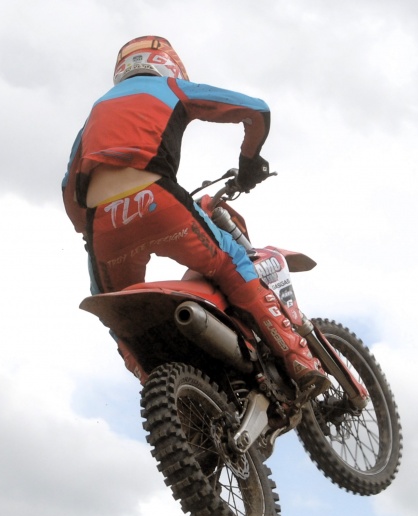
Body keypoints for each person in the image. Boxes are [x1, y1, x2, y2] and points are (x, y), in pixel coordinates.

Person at [62, 35, 328, 402]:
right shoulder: (171, 88)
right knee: (234, 263)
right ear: (168, 64)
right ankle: (299, 360)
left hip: (104, 226)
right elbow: (257, 111)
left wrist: (91, 228)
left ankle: (169, 400)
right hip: (158, 202)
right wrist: (249, 161)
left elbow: (69, 187)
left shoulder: (94, 115)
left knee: (118, 315)